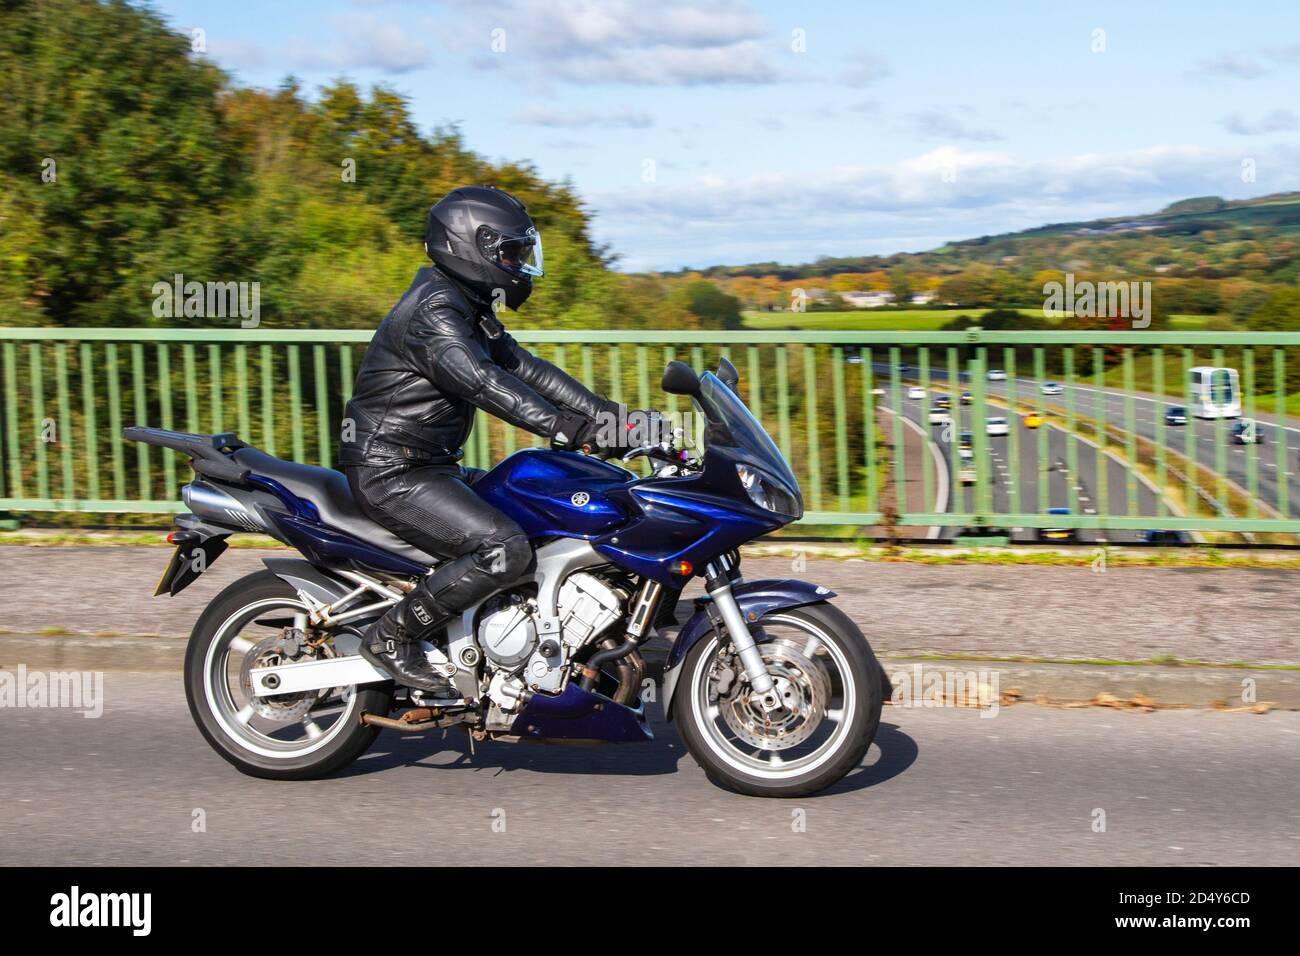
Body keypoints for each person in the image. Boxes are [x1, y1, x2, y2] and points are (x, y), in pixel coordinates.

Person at [339, 185, 641, 695]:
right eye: (510, 253)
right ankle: (391, 636)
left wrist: (617, 420)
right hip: (391, 472)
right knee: (501, 547)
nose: (519, 265)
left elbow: (529, 371)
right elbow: (483, 383)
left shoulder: (468, 305)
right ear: (469, 246)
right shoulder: (433, 315)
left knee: (542, 512)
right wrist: (561, 427)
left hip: (433, 466)